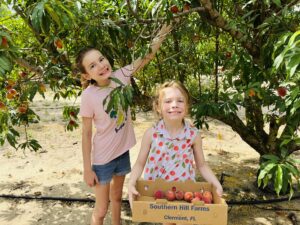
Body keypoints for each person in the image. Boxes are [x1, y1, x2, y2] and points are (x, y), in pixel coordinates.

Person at [77, 23, 172, 225]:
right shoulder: (88, 96)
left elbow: (147, 55)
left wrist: (165, 29)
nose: (101, 65)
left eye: (101, 59)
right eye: (92, 65)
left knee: (118, 199)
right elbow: (86, 134)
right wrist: (87, 168)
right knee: (101, 210)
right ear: (87, 75)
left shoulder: (122, 76)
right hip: (102, 159)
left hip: (122, 153)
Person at [128, 81, 223, 225]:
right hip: (157, 191)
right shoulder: (152, 133)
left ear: (186, 107)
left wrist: (216, 184)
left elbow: (202, 165)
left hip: (183, 192)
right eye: (168, 101)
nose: (174, 105)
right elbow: (140, 163)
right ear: (158, 107)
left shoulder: (193, 135)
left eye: (180, 101)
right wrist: (131, 183)